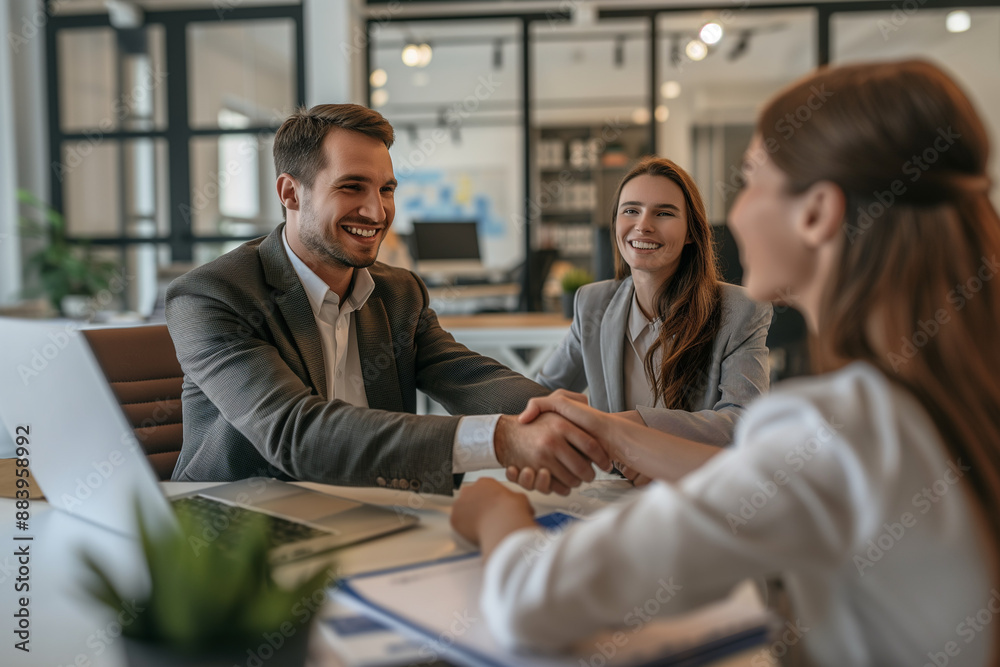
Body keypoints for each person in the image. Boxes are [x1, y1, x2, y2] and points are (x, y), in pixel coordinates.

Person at [451, 60, 1000, 666]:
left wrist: (497, 513)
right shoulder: (923, 401)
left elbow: (530, 600)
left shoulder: (837, 428)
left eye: (750, 181)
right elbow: (746, 474)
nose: (734, 214)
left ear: (816, 212)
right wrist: (608, 432)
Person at [166, 104, 610, 496]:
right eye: (351, 187)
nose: (377, 212)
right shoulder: (212, 296)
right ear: (290, 193)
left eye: (386, 189)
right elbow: (295, 433)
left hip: (369, 506)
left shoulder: (398, 292)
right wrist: (502, 440)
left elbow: (469, 377)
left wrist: (581, 424)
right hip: (237, 524)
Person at [535, 157, 771, 450]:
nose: (643, 225)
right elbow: (543, 392)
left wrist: (628, 424)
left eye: (664, 213)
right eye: (631, 210)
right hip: (613, 477)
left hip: (696, 477)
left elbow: (744, 423)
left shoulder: (741, 311)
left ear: (691, 232)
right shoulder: (593, 304)